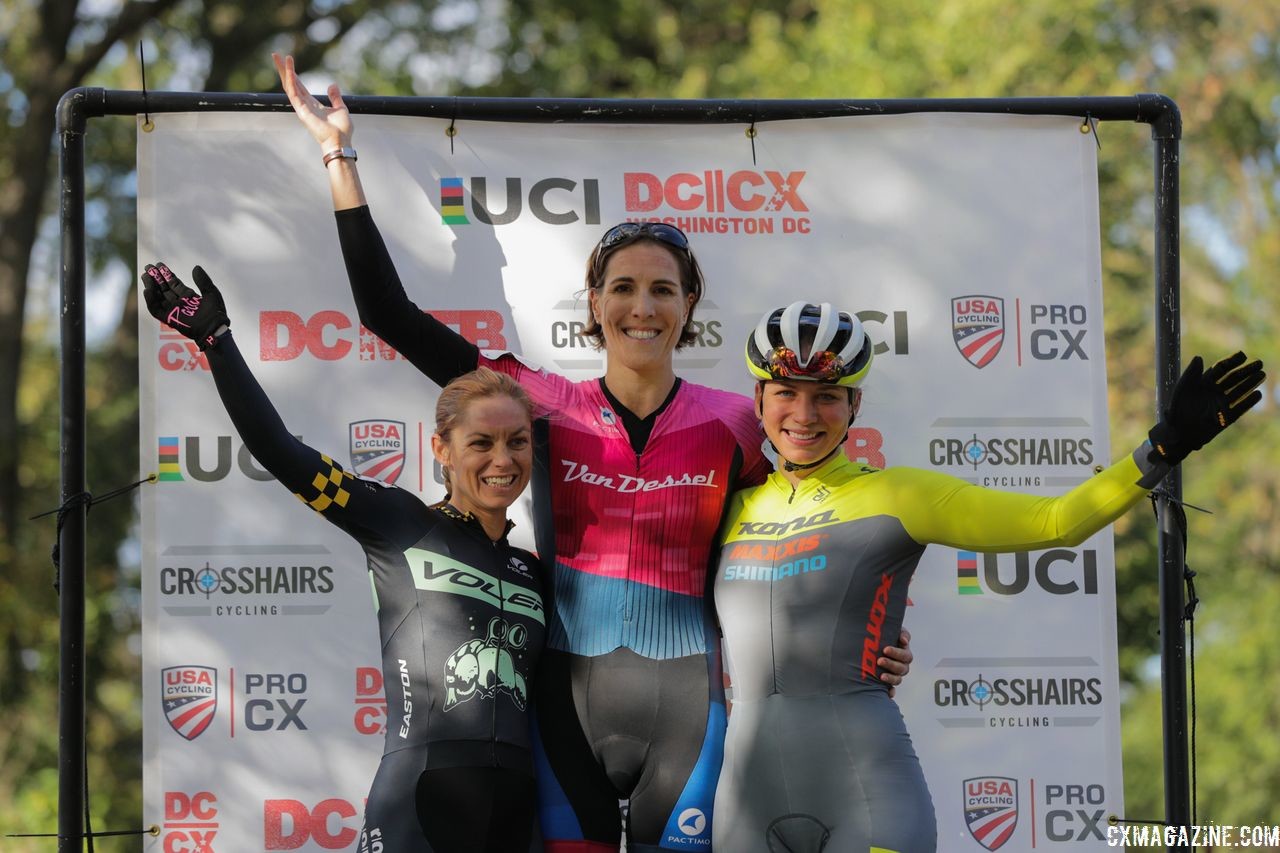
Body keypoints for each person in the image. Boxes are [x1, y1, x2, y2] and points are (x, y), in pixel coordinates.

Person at [271, 55, 914, 851]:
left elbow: (803, 542)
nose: (642, 306)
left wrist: (869, 638)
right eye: (623, 287)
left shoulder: (740, 425)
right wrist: (339, 155)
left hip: (691, 706)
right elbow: (388, 313)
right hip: (562, 704)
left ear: (689, 309)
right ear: (595, 304)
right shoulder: (541, 403)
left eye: (662, 289)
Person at [711, 301, 1265, 853]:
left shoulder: (899, 493)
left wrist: (1164, 447)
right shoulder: (727, 507)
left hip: (866, 791)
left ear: (855, 404)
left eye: (827, 396)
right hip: (744, 803)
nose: (805, 414)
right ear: (758, 399)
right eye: (786, 392)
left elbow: (1055, 522)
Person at [142, 262, 548, 853]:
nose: (502, 460)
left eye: (517, 442)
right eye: (480, 443)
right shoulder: (401, 524)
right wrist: (216, 342)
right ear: (442, 449)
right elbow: (280, 451)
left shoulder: (534, 571)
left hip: (520, 814)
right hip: (420, 802)